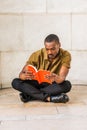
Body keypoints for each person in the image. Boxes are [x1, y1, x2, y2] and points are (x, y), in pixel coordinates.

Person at [12, 34, 72, 103]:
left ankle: (29, 95)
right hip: (36, 83)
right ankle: (49, 98)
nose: (50, 52)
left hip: (51, 84)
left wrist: (55, 77)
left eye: (53, 49)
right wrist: (24, 76)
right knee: (15, 82)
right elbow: (21, 74)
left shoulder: (66, 55)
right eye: (47, 49)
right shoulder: (37, 54)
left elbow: (61, 78)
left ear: (59, 45)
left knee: (67, 85)